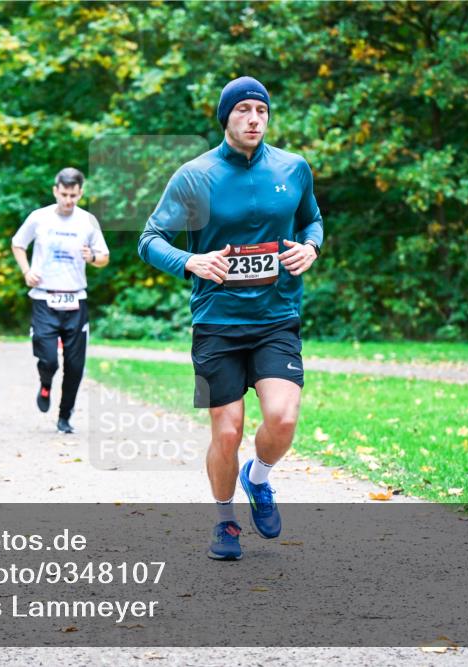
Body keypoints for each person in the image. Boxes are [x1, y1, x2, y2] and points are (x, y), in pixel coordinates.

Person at [138, 76, 324, 561]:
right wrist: (190, 262)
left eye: (261, 111)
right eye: (243, 110)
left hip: (276, 316)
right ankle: (225, 522)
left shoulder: (293, 168)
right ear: (227, 118)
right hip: (217, 321)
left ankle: (258, 479)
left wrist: (311, 247)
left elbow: (312, 220)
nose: (254, 119)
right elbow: (149, 239)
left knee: (282, 419)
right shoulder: (194, 176)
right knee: (227, 431)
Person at [11, 168, 110, 434]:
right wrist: (26, 271)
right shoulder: (39, 218)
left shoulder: (87, 221)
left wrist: (91, 257)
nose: (68, 200)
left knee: (75, 366)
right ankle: (45, 383)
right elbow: (18, 244)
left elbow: (104, 257)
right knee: (49, 360)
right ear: (56, 190)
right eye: (64, 194)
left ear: (81, 193)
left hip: (76, 300)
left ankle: (64, 417)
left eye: (74, 195)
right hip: (44, 299)